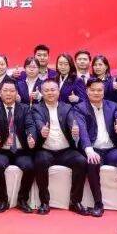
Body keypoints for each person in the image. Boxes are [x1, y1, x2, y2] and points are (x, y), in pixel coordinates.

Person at [77, 78, 117, 217]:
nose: (96, 93)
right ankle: (98, 204)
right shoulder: (80, 108)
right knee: (92, 162)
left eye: (99, 90)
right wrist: (89, 150)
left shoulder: (112, 106)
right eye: (93, 90)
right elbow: (82, 130)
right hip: (93, 149)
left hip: (111, 149)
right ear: (87, 91)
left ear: (104, 91)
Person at [31, 79, 91, 216]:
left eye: (53, 90)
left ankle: (75, 202)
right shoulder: (36, 108)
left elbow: (71, 122)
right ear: (41, 93)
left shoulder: (67, 107)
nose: (50, 93)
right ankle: (44, 202)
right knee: (40, 161)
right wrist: (42, 129)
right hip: (45, 150)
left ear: (58, 91)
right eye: (46, 90)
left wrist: (74, 130)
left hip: (65, 150)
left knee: (81, 161)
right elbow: (38, 121)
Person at [0, 79, 38, 213]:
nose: (8, 94)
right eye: (5, 91)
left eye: (12, 91)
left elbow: (30, 125)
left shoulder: (24, 108)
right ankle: (3, 200)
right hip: (2, 150)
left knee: (30, 167)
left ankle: (22, 200)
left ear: (16, 93)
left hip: (20, 150)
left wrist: (31, 136)